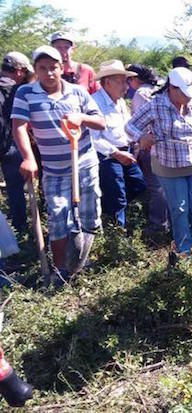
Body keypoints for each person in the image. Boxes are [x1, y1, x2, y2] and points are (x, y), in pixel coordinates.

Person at [11, 45, 106, 271]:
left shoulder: (78, 92)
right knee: (58, 218)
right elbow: (19, 126)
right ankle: (61, 270)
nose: (49, 73)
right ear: (35, 70)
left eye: (53, 67)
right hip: (53, 168)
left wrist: (81, 117)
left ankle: (79, 264)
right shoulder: (25, 93)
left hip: (83, 163)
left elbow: (100, 122)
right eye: (43, 68)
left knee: (87, 216)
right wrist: (28, 158)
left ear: (61, 68)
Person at [125, 67, 192, 257]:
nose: (189, 97)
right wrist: (142, 137)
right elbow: (130, 126)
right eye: (185, 93)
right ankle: (184, 252)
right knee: (180, 208)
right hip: (168, 166)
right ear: (172, 88)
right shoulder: (155, 105)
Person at [91, 60, 146, 228]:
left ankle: (110, 212)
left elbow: (128, 127)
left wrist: (136, 142)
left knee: (138, 184)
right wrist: (116, 153)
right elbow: (93, 138)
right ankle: (118, 233)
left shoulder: (120, 102)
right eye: (122, 81)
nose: (126, 86)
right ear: (107, 82)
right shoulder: (94, 103)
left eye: (126, 81)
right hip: (108, 156)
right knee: (118, 196)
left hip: (126, 152)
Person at [127, 64, 170, 234]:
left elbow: (141, 123)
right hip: (166, 145)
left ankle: (159, 224)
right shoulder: (158, 88)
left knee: (156, 186)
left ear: (135, 79)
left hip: (149, 144)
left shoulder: (140, 93)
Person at [0, 52, 34, 231]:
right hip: (9, 145)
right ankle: (20, 228)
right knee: (15, 189)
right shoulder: (18, 91)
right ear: (19, 71)